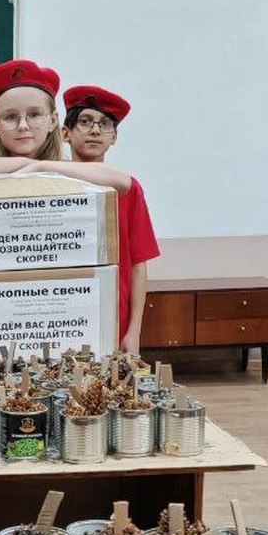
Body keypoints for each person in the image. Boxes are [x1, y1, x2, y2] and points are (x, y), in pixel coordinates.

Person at [62, 85, 161, 354]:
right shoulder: (53, 184)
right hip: (63, 315)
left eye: (105, 124)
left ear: (114, 137)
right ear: (65, 133)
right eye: (85, 122)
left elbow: (139, 266)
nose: (95, 130)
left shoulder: (128, 189)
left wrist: (134, 331)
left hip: (114, 319)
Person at [0, 59, 131, 193]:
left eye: (34, 115)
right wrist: (28, 164)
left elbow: (122, 181)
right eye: (11, 117)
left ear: (53, 121)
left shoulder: (67, 169)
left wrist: (42, 168)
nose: (23, 126)